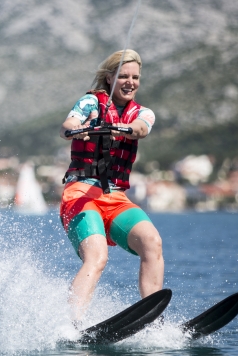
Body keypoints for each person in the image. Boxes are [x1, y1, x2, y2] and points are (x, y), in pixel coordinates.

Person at [59, 49, 163, 329]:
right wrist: (78, 129)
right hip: (81, 195)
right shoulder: (90, 102)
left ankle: (154, 321)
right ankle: (73, 326)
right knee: (98, 256)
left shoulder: (142, 113)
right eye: (124, 76)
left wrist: (121, 129)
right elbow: (67, 124)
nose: (130, 82)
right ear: (109, 78)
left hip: (115, 197)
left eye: (135, 77)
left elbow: (141, 128)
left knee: (152, 243)